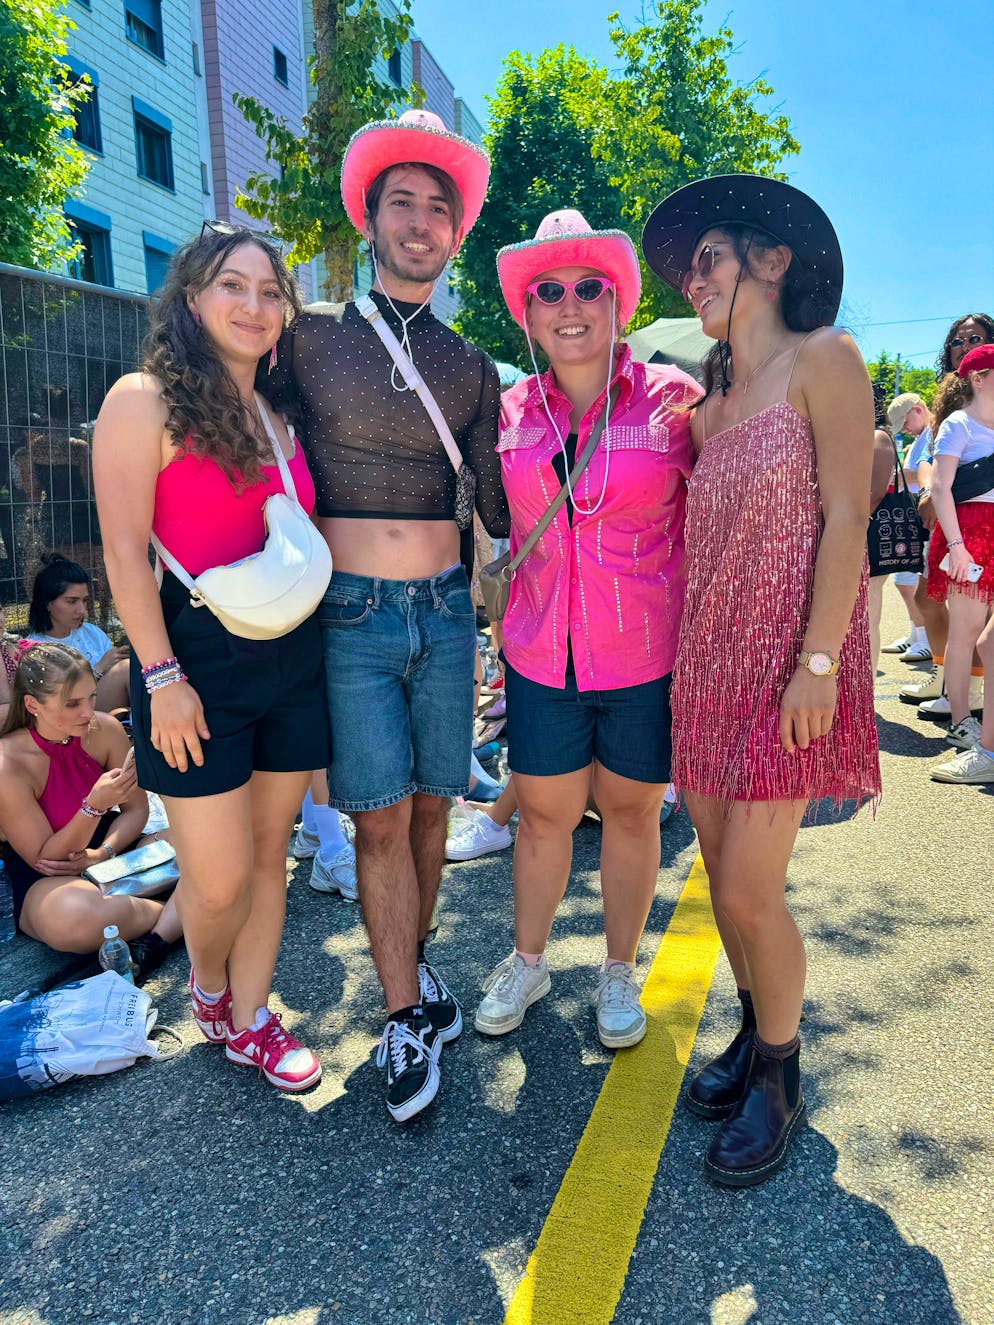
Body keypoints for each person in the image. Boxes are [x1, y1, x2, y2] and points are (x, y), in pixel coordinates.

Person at [266, 109, 509, 1121]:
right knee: (376, 817)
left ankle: (415, 964)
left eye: (437, 208)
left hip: (449, 613)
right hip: (349, 616)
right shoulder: (307, 338)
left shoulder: (472, 365)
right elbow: (243, 432)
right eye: (401, 202)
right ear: (369, 221)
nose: (419, 221)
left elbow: (502, 503)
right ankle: (404, 1011)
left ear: (456, 233)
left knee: (432, 808)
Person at [642, 176, 881, 1187]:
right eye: (688, 267)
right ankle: (752, 1030)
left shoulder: (824, 359)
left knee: (746, 887)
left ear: (771, 262)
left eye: (710, 258)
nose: (693, 279)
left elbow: (846, 518)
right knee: (721, 880)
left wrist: (819, 662)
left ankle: (780, 1072)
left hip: (790, 666)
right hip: (707, 667)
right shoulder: (707, 411)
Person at [92, 223, 330, 1093]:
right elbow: (124, 554)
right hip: (191, 659)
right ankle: (210, 981)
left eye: (271, 292)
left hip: (292, 656)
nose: (254, 305)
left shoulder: (278, 415)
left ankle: (252, 1017)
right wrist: (160, 679)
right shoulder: (142, 400)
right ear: (192, 298)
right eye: (234, 285)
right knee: (220, 878)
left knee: (271, 856)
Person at [473, 210, 696, 1049]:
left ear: (619, 300)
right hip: (541, 653)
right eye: (548, 291)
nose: (570, 305)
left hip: (644, 652)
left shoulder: (673, 401)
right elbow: (483, 516)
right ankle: (529, 961)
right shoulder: (507, 413)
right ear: (528, 314)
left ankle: (617, 969)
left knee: (633, 816)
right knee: (542, 816)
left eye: (589, 286)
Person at [0, 642, 181, 976]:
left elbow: (135, 811)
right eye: (72, 704)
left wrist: (103, 852)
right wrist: (93, 806)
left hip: (115, 852)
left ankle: (163, 929)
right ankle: (184, 909)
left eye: (92, 697)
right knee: (73, 918)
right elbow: (49, 859)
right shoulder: (7, 762)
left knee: (211, 844)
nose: (87, 712)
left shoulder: (106, 729)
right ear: (32, 705)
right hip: (49, 881)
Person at [921, 344, 994, 752]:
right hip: (969, 531)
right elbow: (940, 487)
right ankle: (961, 720)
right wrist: (957, 545)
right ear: (979, 379)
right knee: (965, 632)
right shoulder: (959, 424)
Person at [26, 555, 130, 713]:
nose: (81, 610)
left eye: (85, 600)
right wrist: (98, 668)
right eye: (72, 601)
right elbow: (54, 699)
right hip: (70, 713)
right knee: (125, 670)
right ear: (47, 603)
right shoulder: (35, 648)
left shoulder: (92, 633)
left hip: (108, 707)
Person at [883, 394, 932, 660]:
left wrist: (896, 476)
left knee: (909, 580)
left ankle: (925, 637)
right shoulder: (919, 440)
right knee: (905, 578)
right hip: (913, 518)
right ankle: (917, 634)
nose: (904, 428)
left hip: (924, 518)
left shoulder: (933, 434)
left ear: (918, 410)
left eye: (905, 422)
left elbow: (924, 473)